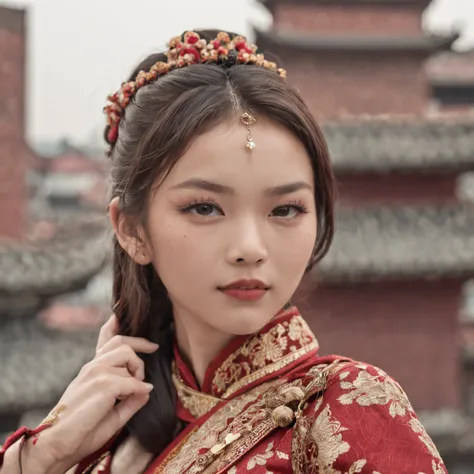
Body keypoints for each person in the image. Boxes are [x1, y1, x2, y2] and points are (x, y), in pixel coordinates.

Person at [0, 29, 447, 474]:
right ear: (132, 229)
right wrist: (44, 456)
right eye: (205, 207)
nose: (250, 248)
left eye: (286, 209)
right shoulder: (99, 436)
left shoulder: (348, 412)